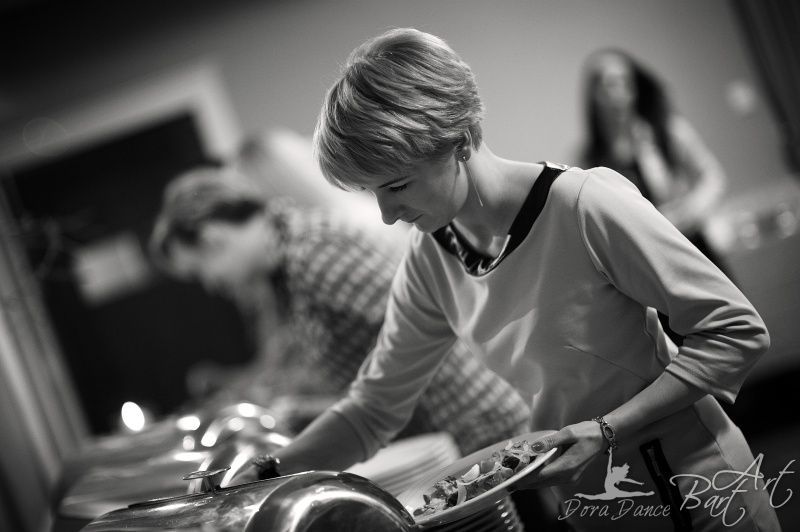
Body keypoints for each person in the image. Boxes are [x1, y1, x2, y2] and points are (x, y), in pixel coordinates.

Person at [241, 28, 781, 532]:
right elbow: (373, 408)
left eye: (398, 186)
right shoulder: (431, 259)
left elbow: (735, 330)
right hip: (594, 502)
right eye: (372, 193)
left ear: (460, 139)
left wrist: (607, 429)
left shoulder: (583, 204)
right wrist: (266, 473)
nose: (385, 215)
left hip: (692, 488)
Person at [148, 166, 531, 457]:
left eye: (199, 272)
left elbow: (423, 336)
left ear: (212, 240)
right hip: (447, 438)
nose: (211, 285)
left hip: (475, 431)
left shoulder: (313, 253)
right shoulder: (286, 266)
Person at [580, 48, 730, 277]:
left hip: (693, 248)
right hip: (646, 268)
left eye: (626, 82)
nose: (619, 93)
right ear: (594, 96)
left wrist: (688, 213)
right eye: (610, 84)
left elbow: (713, 177)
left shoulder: (668, 132)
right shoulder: (589, 161)